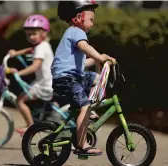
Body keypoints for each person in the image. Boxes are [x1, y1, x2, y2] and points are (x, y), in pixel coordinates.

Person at [51, 0, 116, 156]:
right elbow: (85, 48)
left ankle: (89, 108)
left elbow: (80, 63)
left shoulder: (73, 33)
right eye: (91, 20)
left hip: (72, 76)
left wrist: (102, 58)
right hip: (67, 79)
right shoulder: (76, 32)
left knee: (96, 78)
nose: (92, 24)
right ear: (78, 18)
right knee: (85, 107)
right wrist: (99, 57)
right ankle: (82, 145)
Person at [7, 14, 54, 135]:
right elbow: (29, 50)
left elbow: (35, 66)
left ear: (43, 33)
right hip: (44, 82)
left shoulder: (41, 48)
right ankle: (37, 120)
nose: (31, 37)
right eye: (28, 34)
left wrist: (19, 73)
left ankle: (30, 126)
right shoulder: (42, 45)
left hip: (44, 84)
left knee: (20, 100)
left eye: (34, 33)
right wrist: (15, 53)